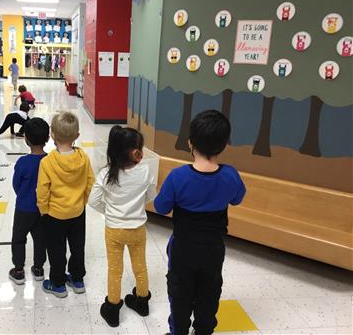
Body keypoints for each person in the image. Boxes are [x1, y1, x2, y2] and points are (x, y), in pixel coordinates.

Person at [154, 110, 246, 335]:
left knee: (179, 293)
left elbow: (160, 207)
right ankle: (204, 330)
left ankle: (179, 331)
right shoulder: (230, 175)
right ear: (223, 145)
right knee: (209, 292)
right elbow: (238, 198)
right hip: (213, 251)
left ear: (190, 143)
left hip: (182, 250)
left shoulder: (178, 177)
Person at [89, 126, 156, 328]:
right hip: (138, 229)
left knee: (115, 270)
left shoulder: (106, 174)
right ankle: (142, 303)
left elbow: (93, 201)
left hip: (114, 230)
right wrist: (136, 206)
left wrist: (108, 211)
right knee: (140, 267)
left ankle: (112, 309)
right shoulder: (145, 171)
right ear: (135, 151)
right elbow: (151, 195)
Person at [37, 112, 95, 298]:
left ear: (52, 135)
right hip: (78, 213)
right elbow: (90, 182)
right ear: (77, 135)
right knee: (78, 247)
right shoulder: (83, 157)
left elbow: (43, 190)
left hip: (54, 215)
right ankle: (77, 280)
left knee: (56, 249)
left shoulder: (47, 162)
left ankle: (58, 283)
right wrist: (82, 201)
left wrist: (44, 210)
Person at [9, 118, 50, 284]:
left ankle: (19, 270)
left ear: (26, 139)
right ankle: (39, 268)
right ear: (48, 138)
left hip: (24, 209)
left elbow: (16, 184)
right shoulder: (51, 161)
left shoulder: (23, 162)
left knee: (19, 238)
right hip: (43, 209)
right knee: (41, 239)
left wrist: (24, 195)